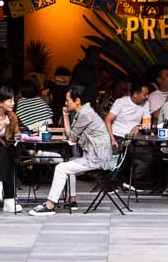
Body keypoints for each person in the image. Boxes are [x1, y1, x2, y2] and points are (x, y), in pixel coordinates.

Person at [29, 85, 112, 215]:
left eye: (68, 99)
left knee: (61, 167)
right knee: (69, 162)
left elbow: (72, 139)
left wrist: (67, 119)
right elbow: (71, 136)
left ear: (77, 101)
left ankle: (49, 206)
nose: (66, 102)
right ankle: (72, 200)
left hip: (98, 158)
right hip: (96, 155)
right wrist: (65, 115)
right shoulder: (84, 112)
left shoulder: (85, 114)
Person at [104, 81, 152, 191]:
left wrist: (139, 127)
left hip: (135, 137)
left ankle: (132, 182)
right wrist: (111, 138)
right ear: (135, 94)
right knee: (120, 158)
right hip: (118, 135)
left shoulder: (146, 104)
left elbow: (146, 123)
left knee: (147, 156)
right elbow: (108, 120)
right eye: (145, 94)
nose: (147, 97)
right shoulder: (121, 102)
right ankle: (111, 184)